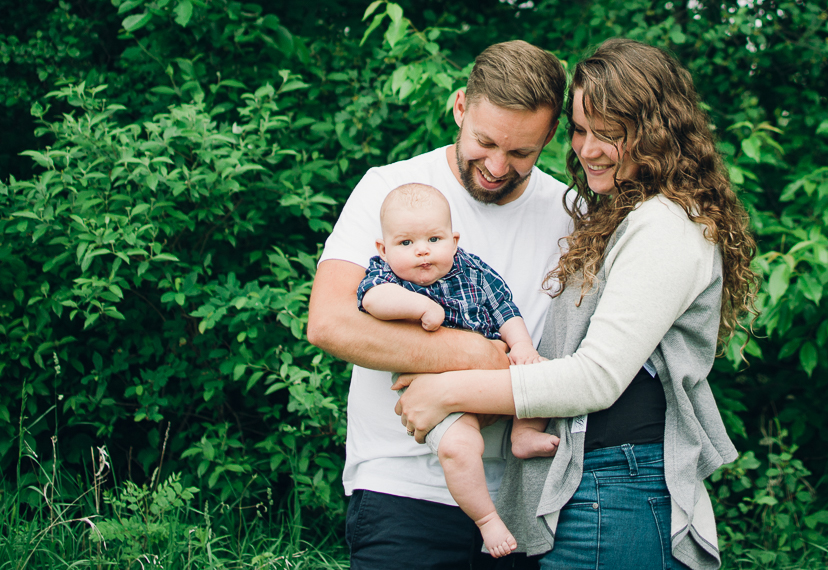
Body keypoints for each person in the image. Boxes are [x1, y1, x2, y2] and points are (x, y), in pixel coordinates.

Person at [392, 39, 756, 570]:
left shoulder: (664, 224)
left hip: (619, 486)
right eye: (581, 129)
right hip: (599, 484)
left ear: (656, 131)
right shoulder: (623, 214)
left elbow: (595, 379)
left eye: (609, 133)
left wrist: (446, 389)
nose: (587, 149)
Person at [308, 40, 574, 570]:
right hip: (402, 493)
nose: (498, 166)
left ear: (549, 135)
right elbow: (331, 323)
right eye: (485, 142)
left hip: (525, 502)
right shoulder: (388, 190)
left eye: (521, 152)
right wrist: (479, 356)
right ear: (459, 108)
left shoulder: (570, 215)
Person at [356, 182, 560, 558]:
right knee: (461, 448)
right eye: (405, 244)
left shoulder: (473, 269)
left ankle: (524, 433)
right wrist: (418, 306)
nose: (422, 250)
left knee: (542, 375)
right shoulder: (387, 277)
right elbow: (371, 300)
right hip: (437, 395)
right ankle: (487, 519)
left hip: (491, 379)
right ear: (383, 250)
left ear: (453, 239)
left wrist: (523, 347)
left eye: (434, 239)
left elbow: (505, 308)